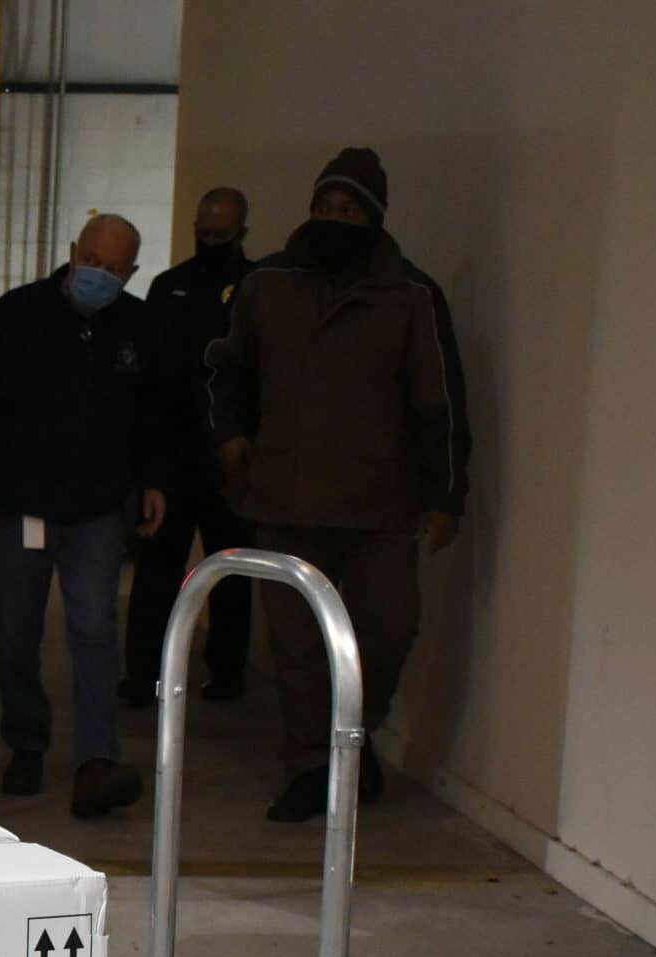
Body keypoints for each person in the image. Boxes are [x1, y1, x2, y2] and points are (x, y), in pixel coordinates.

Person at [207, 147, 471, 822]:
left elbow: (439, 403)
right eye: (324, 206)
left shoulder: (410, 296)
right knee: (295, 648)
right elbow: (227, 368)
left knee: (386, 630)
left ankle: (353, 740)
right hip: (285, 497)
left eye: (348, 209)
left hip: (381, 502)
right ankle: (307, 765)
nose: (333, 219)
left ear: (374, 217)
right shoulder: (269, 284)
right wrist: (229, 433)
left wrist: (445, 496)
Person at [0, 213, 166, 819]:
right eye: (92, 260)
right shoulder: (18, 316)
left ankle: (97, 757)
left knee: (94, 630)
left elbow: (151, 415)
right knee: (14, 628)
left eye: (115, 268)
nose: (100, 274)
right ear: (72, 252)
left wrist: (152, 482)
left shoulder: (137, 327)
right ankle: (27, 742)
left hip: (97, 507)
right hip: (23, 504)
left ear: (132, 272)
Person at [121, 186, 256, 706]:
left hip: (229, 459)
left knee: (232, 573)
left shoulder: (256, 289)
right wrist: (149, 465)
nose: (211, 240)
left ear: (241, 232)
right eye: (204, 232)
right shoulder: (170, 287)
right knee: (157, 572)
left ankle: (226, 675)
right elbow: (151, 381)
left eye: (221, 234)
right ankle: (143, 678)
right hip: (174, 459)